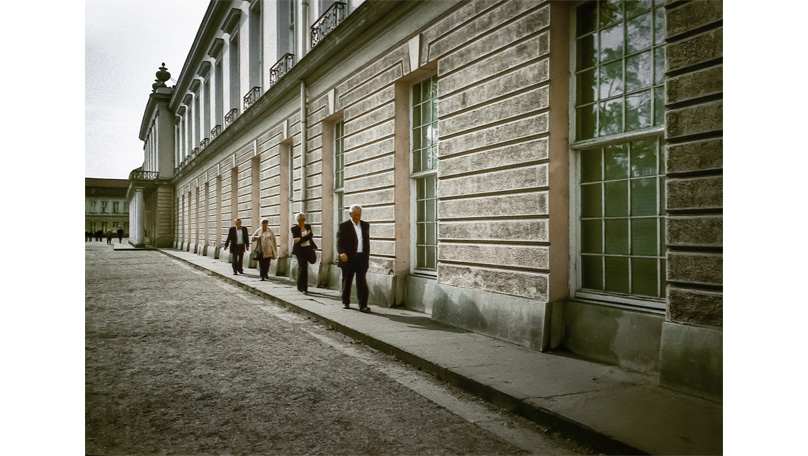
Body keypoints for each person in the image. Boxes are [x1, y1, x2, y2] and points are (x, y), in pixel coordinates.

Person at [336, 204, 370, 312]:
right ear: (350, 214)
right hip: (348, 257)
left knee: (362, 282)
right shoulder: (343, 226)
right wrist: (341, 253)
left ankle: (363, 305)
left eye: (359, 215)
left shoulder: (365, 225)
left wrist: (366, 257)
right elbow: (339, 241)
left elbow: (366, 242)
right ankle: (346, 302)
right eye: (355, 215)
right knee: (347, 280)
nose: (357, 217)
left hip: (361, 257)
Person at [291, 212, 318, 294]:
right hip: (300, 250)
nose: (302, 221)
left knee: (304, 268)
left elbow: (310, 236)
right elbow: (296, 239)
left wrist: (301, 239)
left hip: (308, 249)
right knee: (303, 269)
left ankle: (301, 286)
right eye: (300, 220)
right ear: (297, 220)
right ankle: (304, 287)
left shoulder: (308, 226)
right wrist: (306, 236)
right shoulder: (294, 228)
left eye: (303, 220)